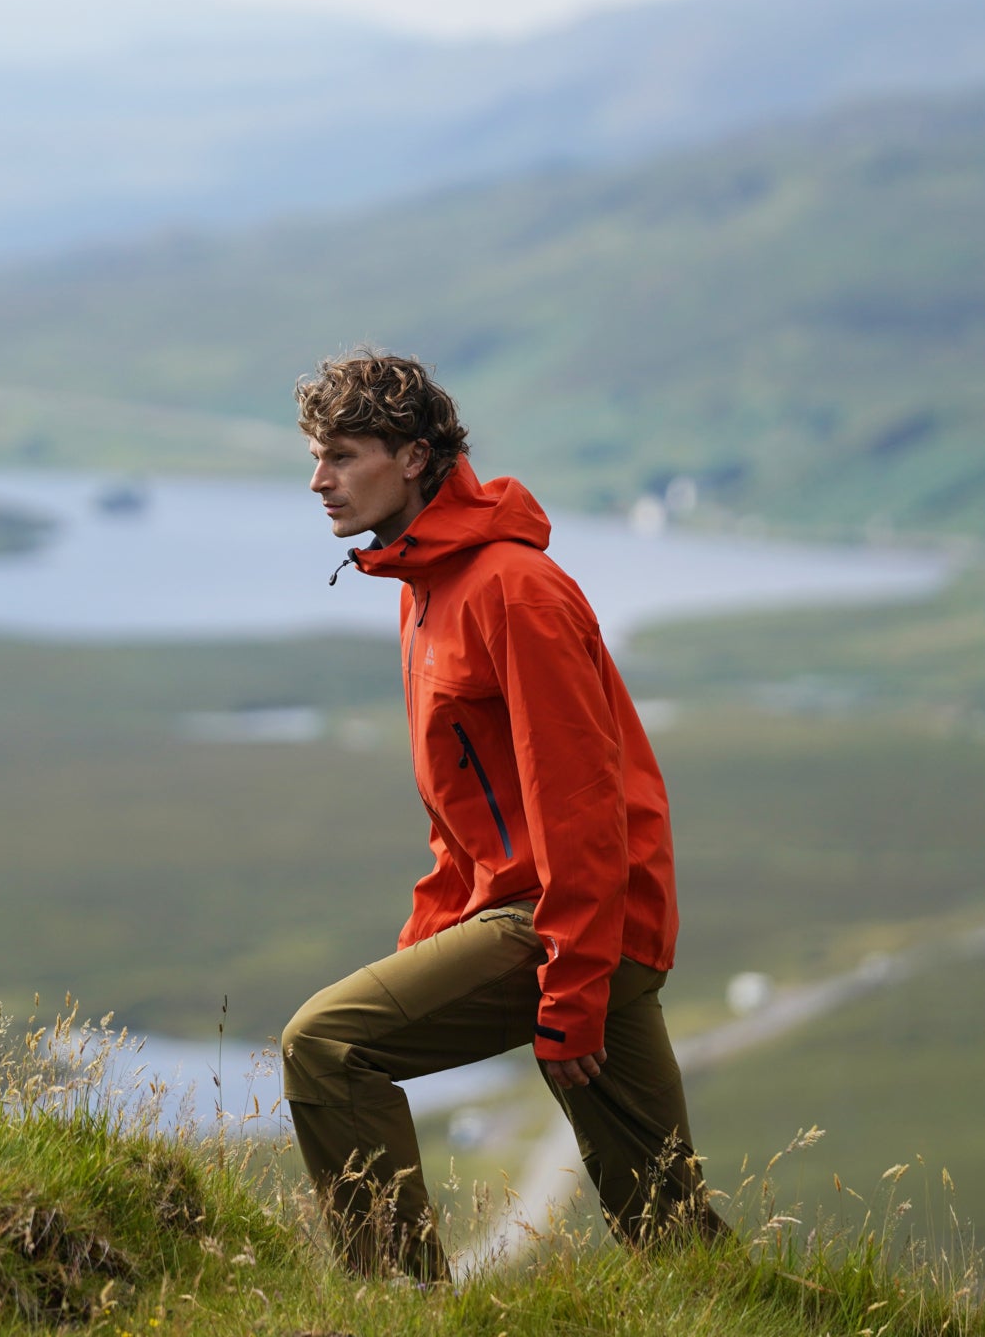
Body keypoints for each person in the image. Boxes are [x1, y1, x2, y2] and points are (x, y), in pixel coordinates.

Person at [281, 348, 724, 1280]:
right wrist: (431, 942)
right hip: (560, 921)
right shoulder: (425, 586)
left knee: (325, 1044)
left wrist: (571, 987)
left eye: (344, 454)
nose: (319, 481)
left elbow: (579, 805)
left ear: (412, 457)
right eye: (316, 455)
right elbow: (464, 810)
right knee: (676, 1241)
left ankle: (403, 1308)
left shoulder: (512, 591)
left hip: (571, 923)